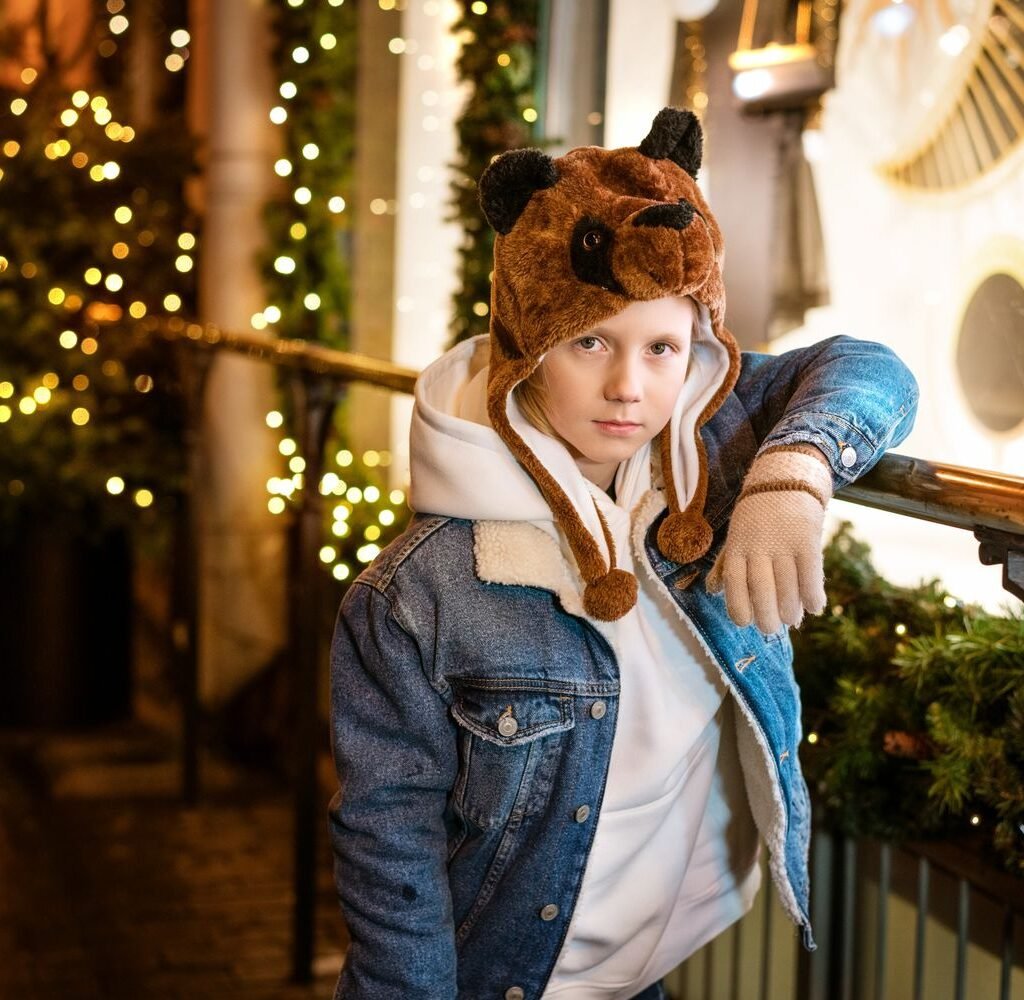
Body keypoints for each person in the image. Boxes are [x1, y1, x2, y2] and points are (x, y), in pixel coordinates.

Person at [327, 107, 919, 999]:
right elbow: (388, 847)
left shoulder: (706, 441)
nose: (628, 388)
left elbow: (874, 370)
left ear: (700, 351)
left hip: (644, 977)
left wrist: (793, 471)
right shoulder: (417, 595)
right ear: (528, 346)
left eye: (662, 348)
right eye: (589, 341)